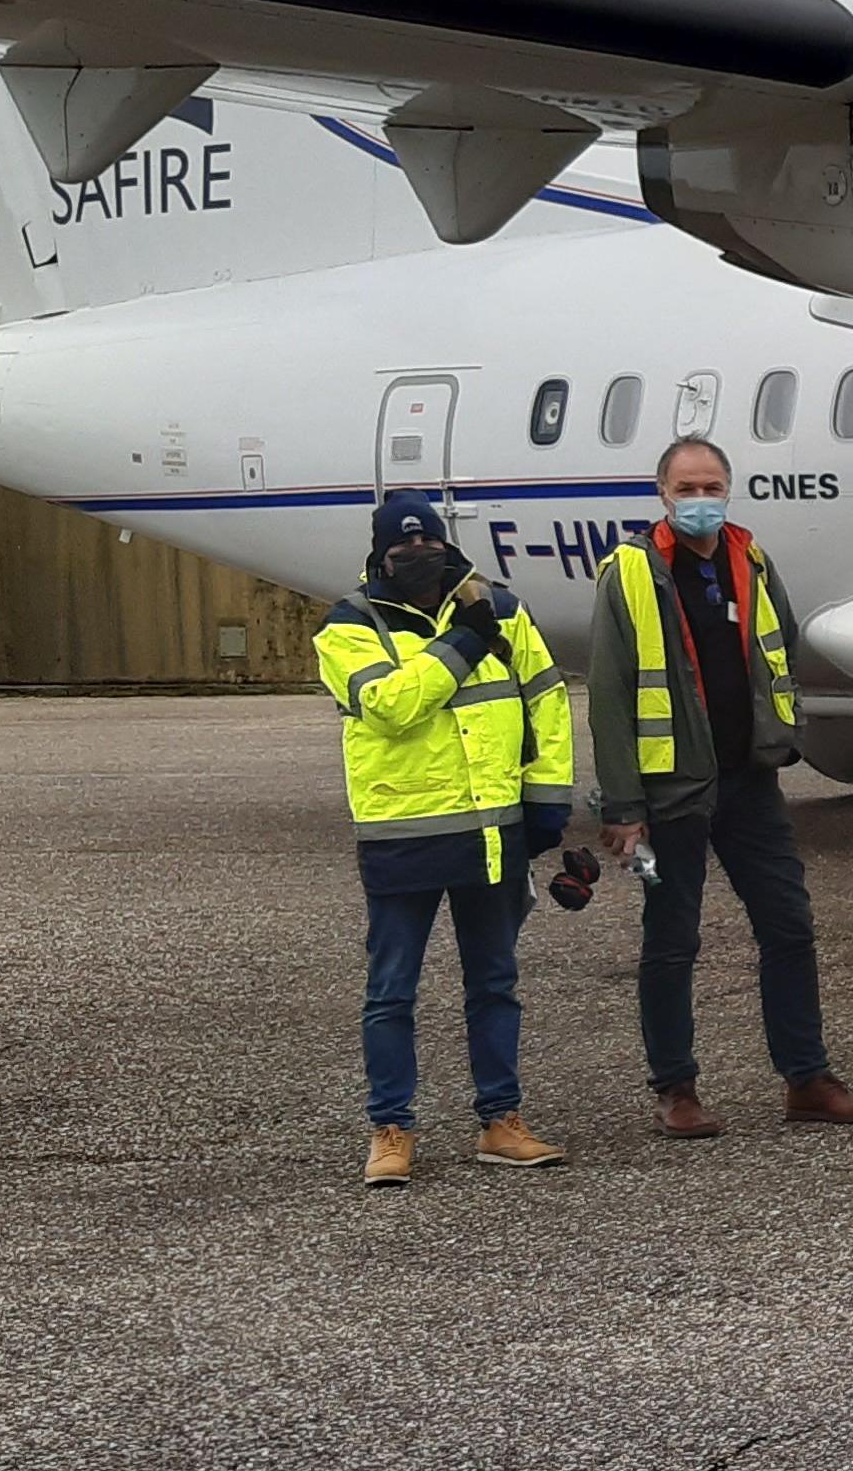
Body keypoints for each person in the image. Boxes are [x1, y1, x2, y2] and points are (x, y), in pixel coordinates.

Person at [584, 440, 853, 1135]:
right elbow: (608, 693)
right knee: (672, 939)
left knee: (789, 925)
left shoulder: (752, 561)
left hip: (749, 779)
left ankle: (806, 1076)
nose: (700, 497)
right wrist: (625, 805)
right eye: (686, 486)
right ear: (662, 493)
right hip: (672, 788)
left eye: (711, 484)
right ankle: (676, 1089)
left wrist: (786, 737)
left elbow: (777, 656)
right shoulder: (629, 573)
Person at [322, 494, 571, 1186]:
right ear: (380, 556)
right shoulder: (349, 625)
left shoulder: (507, 610)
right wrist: (463, 639)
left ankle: (501, 1121)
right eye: (401, 548)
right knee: (391, 990)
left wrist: (548, 801)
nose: (416, 555)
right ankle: (391, 1128)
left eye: (426, 542)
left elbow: (545, 700)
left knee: (495, 983)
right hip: (403, 838)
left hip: (492, 834)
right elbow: (393, 705)